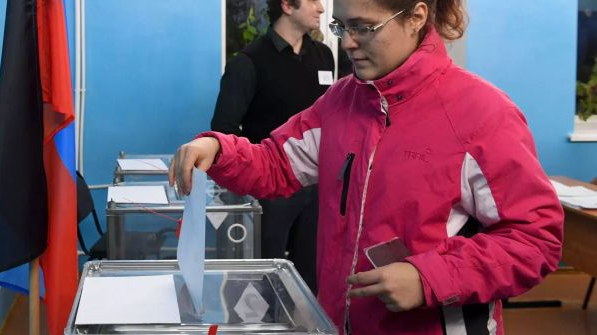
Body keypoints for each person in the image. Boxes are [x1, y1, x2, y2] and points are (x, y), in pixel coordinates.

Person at [171, 0, 564, 333]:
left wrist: (429, 277)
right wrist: (219, 150)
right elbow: (277, 163)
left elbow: (535, 238)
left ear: (416, 17)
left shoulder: (483, 115)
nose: (347, 42)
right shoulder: (342, 102)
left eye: (364, 27)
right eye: (341, 26)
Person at [211, 0, 335, 294]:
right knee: (266, 280)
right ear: (288, 6)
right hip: (270, 192)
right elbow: (224, 129)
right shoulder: (248, 62)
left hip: (318, 190)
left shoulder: (324, 56)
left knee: (312, 277)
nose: (320, 8)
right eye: (313, 1)